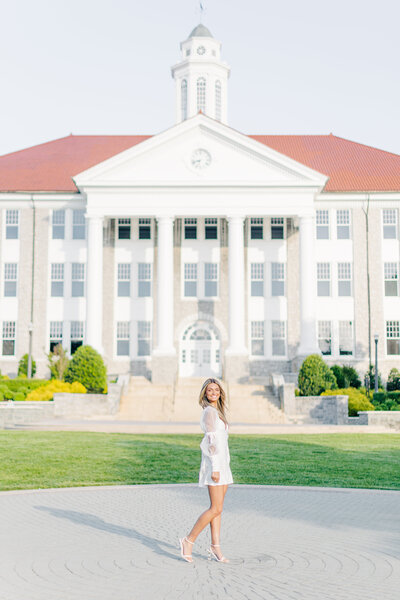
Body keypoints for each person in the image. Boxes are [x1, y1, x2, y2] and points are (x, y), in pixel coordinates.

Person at [179, 377, 233, 563]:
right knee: (215, 508)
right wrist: (216, 468)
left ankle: (215, 547)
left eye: (216, 390)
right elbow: (211, 442)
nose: (213, 393)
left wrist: (224, 465)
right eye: (210, 390)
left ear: (220, 393)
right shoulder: (209, 412)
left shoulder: (218, 412)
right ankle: (188, 540)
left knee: (219, 510)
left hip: (223, 465)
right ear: (205, 393)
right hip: (214, 465)